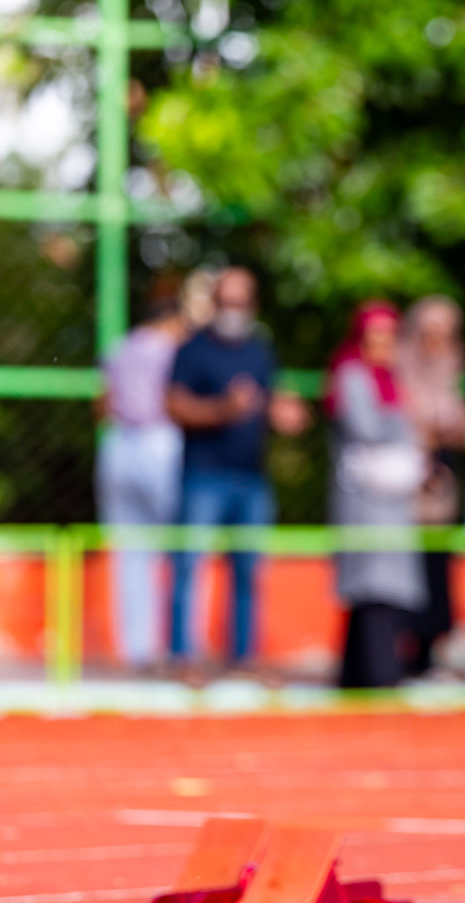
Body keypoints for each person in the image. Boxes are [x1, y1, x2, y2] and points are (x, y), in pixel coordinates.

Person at [166, 267, 308, 679]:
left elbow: (270, 397)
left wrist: (283, 413)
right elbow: (173, 405)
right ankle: (183, 657)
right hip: (203, 474)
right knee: (189, 566)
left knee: (250, 570)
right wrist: (220, 410)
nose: (234, 310)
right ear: (213, 303)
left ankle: (243, 658)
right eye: (226, 302)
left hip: (252, 476)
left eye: (241, 303)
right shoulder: (192, 349)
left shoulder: (259, 349)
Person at [327, 301, 429, 688]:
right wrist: (403, 423)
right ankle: (376, 671)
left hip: (390, 503)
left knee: (381, 589)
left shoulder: (391, 379)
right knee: (369, 587)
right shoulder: (352, 376)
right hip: (364, 502)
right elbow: (365, 427)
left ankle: (361, 672)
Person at [96, 291, 189, 671]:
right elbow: (176, 401)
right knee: (176, 548)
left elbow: (101, 404)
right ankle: (178, 647)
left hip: (117, 445)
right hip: (158, 442)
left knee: (129, 552)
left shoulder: (119, 349)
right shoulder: (170, 350)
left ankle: (136, 651)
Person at [399, 295, 465, 670]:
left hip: (442, 482)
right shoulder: (400, 370)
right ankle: (406, 650)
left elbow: (457, 426)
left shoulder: (450, 370)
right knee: (406, 566)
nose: (435, 343)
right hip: (406, 484)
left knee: (437, 565)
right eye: (428, 334)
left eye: (444, 335)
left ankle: (430, 650)